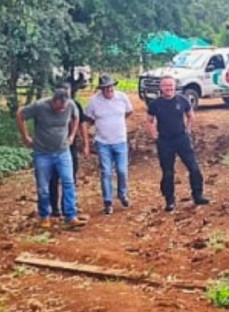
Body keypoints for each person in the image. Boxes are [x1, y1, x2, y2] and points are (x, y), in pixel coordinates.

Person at [16, 87, 87, 228]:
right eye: (59, 107)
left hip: (63, 151)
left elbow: (76, 116)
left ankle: (70, 216)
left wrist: (72, 135)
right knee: (43, 187)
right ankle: (44, 216)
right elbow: (20, 114)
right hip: (43, 153)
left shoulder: (70, 105)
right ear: (53, 101)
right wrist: (25, 137)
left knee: (68, 182)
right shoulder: (40, 106)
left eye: (64, 107)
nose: (61, 110)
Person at [146, 76, 210, 212]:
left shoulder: (182, 100)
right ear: (161, 88)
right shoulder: (155, 104)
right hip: (164, 140)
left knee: (194, 168)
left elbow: (190, 115)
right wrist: (154, 135)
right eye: (165, 86)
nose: (168, 88)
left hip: (181, 138)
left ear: (175, 87)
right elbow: (149, 120)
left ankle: (198, 195)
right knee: (168, 172)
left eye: (171, 86)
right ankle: (169, 200)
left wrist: (188, 129)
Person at [84, 74, 133, 215]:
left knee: (122, 170)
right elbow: (88, 119)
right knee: (106, 171)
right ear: (101, 89)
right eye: (105, 88)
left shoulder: (122, 98)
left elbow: (129, 112)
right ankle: (108, 201)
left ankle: (122, 194)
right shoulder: (94, 101)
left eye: (110, 87)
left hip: (120, 140)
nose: (108, 90)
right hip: (103, 142)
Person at [48, 82, 89, 218]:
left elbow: (81, 123)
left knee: (69, 178)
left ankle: (68, 208)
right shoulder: (49, 106)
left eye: (67, 90)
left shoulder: (74, 105)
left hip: (69, 147)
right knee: (53, 179)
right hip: (52, 148)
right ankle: (54, 207)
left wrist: (85, 142)